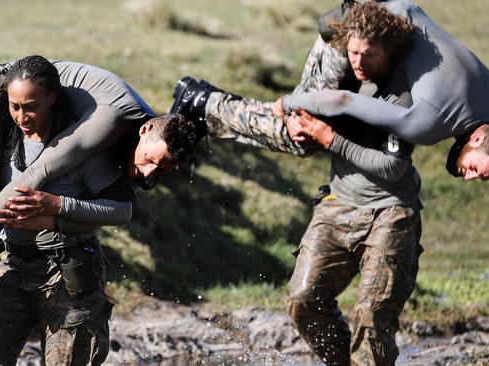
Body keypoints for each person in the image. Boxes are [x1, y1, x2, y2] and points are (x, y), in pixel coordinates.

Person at [0, 56, 204, 366]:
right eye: (149, 161)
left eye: (161, 169)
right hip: (14, 261)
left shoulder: (114, 156)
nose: (149, 173)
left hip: (66, 269)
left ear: (52, 100)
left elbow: (119, 210)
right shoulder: (96, 125)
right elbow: (33, 176)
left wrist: (58, 211)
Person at [172, 2, 421, 364]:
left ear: (389, 52)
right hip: (339, 203)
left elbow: (391, 168)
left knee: (373, 319)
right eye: (353, 52)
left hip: (390, 212)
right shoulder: (341, 74)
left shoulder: (404, 94)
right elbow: (303, 105)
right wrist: (299, 117)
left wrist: (327, 137)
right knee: (304, 301)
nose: (359, 61)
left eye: (370, 55)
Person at [171, 0, 489, 184]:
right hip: (356, 35)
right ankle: (202, 101)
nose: (473, 177)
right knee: (299, 132)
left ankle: (210, 111)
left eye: (484, 177)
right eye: (479, 169)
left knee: (310, 123)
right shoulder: (430, 124)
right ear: (478, 137)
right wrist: (288, 102)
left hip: (390, 22)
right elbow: (342, 100)